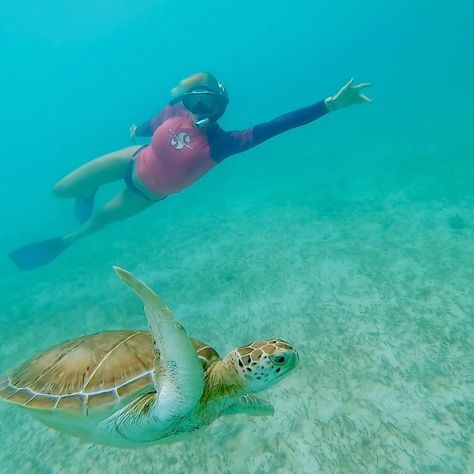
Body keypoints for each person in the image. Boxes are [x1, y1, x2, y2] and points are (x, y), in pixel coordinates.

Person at [10, 72, 373, 270]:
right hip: (130, 159)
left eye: (207, 102)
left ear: (220, 107)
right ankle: (88, 189)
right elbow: (155, 121)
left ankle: (62, 244)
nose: (197, 107)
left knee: (94, 225)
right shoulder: (175, 112)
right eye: (192, 99)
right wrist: (138, 129)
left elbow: (278, 124)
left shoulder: (226, 143)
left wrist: (329, 105)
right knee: (62, 190)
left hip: (144, 195)